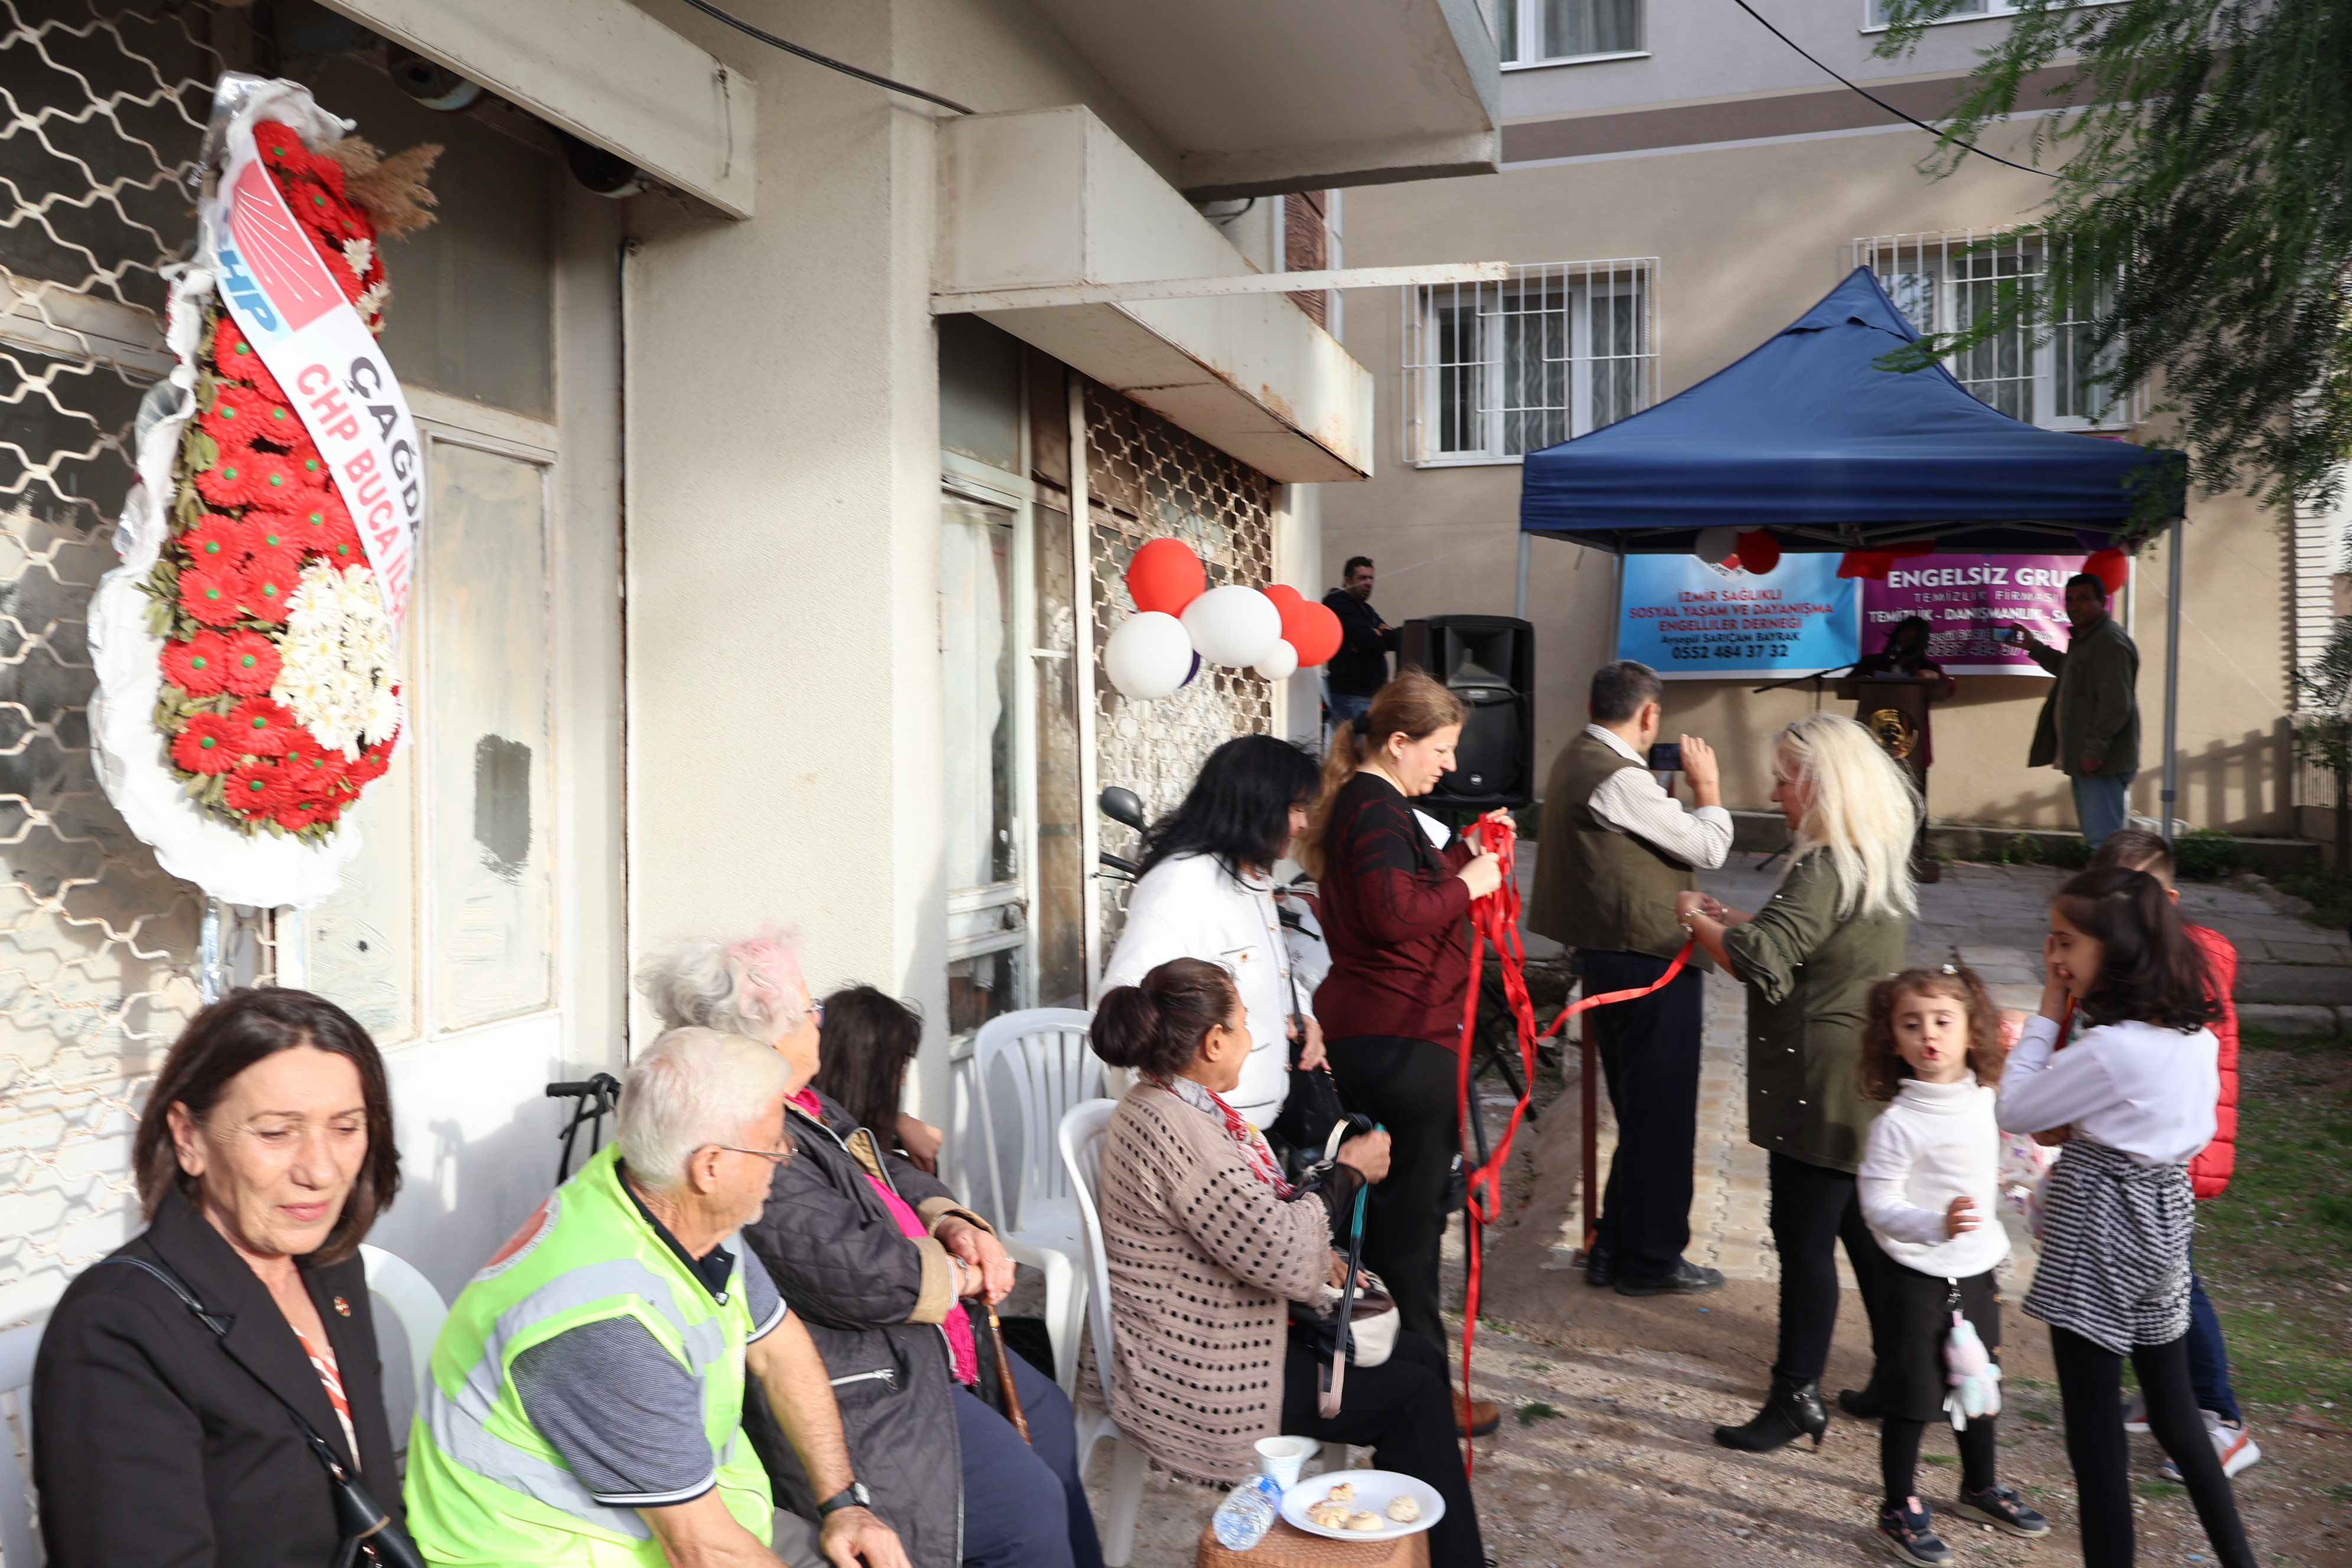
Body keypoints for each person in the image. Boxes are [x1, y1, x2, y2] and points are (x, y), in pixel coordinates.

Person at [639, 930, 1099, 1568]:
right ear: (765, 1038)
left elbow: (879, 1162)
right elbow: (855, 1274)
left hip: (921, 1334)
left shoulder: (803, 1101)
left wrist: (949, 1219)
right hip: (871, 1368)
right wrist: (962, 1276)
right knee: (1025, 1512)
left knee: (1047, 1416)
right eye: (811, 1009)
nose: (820, 1021)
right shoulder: (749, 1135)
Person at [403, 1025, 910, 1568]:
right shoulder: (605, 1325)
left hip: (698, 1522)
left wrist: (843, 1504)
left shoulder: (667, 1199)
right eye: (772, 1145)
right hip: (569, 1554)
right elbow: (701, 1549)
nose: (784, 1158)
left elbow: (779, 1349)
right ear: (710, 1167)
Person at [1086, 959, 1485, 1568]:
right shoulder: (1175, 1127)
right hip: (1206, 1369)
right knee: (1415, 1398)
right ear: (1214, 1041)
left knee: (1422, 1358)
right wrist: (1347, 1174)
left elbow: (1254, 1223)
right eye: (1245, 1024)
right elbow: (1280, 1252)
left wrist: (1325, 1213)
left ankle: (1430, 1553)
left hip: (1236, 1331)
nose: (1253, 1038)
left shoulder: (1180, 1106)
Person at [34, 989, 404, 1568]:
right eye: (276, 1133)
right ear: (189, 1137)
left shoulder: (329, 1266)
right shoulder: (117, 1326)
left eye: (345, 1127)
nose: (321, 1170)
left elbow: (374, 1502)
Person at [2000, 867, 2256, 1568]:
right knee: (2176, 1412)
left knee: (2094, 1437)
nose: (2055, 957)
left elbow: (2016, 1108)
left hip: (2099, 1222)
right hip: (2165, 1220)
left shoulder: (2114, 1048)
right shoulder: (2196, 1039)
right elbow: (2185, 1130)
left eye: (2066, 942)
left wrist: (2047, 1012)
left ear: (2114, 949)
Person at [1675, 711, 1916, 1453]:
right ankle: (1903, 1375)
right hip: (1861, 1075)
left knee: (1805, 1241)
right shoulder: (1870, 855)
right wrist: (1733, 917)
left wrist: (1694, 919)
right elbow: (1800, 937)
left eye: (1785, 780)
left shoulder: (1825, 865)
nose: (1776, 793)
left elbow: (1757, 958)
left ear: (1821, 784)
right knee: (1860, 1235)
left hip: (1820, 1077)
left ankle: (1796, 1394)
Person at [1295, 669, 1505, 1435]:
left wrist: (1465, 857)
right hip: (1401, 1041)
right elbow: (1393, 913)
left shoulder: (1371, 806)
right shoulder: (1376, 806)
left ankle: (1384, 1378)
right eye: (1440, 749)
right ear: (1398, 742)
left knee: (1385, 1227)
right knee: (1410, 1233)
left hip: (1386, 1033)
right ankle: (1424, 1396)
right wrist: (1470, 883)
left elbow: (1400, 893)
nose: (1449, 765)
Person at [1529, 658, 1730, 1296]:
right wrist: (1709, 788)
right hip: (1646, 960)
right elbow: (1709, 847)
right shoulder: (1619, 776)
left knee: (1643, 1114)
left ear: (1593, 706)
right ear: (1650, 715)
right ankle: (1652, 1260)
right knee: (1661, 1117)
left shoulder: (1576, 756)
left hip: (1613, 957)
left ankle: (1615, 1244)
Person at [1854, 967, 2049, 1564]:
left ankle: (1979, 1487)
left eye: (1943, 1021)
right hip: (1913, 1276)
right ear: (1892, 1039)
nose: (1928, 1034)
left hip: (1977, 1269)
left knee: (1979, 1382)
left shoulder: (1989, 1101)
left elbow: (2034, 1124)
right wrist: (1932, 1224)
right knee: (1912, 1394)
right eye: (1911, 1024)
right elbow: (1876, 1203)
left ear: (1972, 1032)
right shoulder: (1897, 1124)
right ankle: (1898, 1506)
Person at [2087, 829, 2260, 1479]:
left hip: (2171, 1155)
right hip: (2145, 1152)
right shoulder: (2129, 957)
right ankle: (2169, 1395)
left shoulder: (2185, 964)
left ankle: (2221, 1420)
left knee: (2176, 1282)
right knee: (2147, 1278)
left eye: (2139, 896)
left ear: (2170, 900)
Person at [1101, 734, 1327, 1130]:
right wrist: (1169, 1124)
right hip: (1201, 1137)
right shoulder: (1183, 882)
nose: (1302, 823)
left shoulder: (1249, 878)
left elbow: (1260, 971)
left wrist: (1300, 1013)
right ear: (1256, 805)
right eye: (1294, 808)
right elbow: (1125, 1004)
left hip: (1247, 1131)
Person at [2012, 571, 2139, 848]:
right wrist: (2034, 647)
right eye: (2069, 600)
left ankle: (2112, 877)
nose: (2074, 606)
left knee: (2104, 840)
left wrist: (2095, 749)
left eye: (2084, 599)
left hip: (2102, 759)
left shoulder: (2110, 643)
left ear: (2101, 602)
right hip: (2087, 755)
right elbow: (2069, 672)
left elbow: (2116, 703)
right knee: (2100, 837)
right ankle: (2108, 875)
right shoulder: (2087, 640)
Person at [1322, 556, 1402, 726]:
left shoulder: (1366, 609)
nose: (1368, 584)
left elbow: (1395, 640)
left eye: (1371, 579)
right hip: (1350, 696)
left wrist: (1379, 635)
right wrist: (1377, 636)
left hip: (1370, 696)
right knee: (1353, 742)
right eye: (1363, 578)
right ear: (1347, 581)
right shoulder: (1339, 604)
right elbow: (1368, 641)